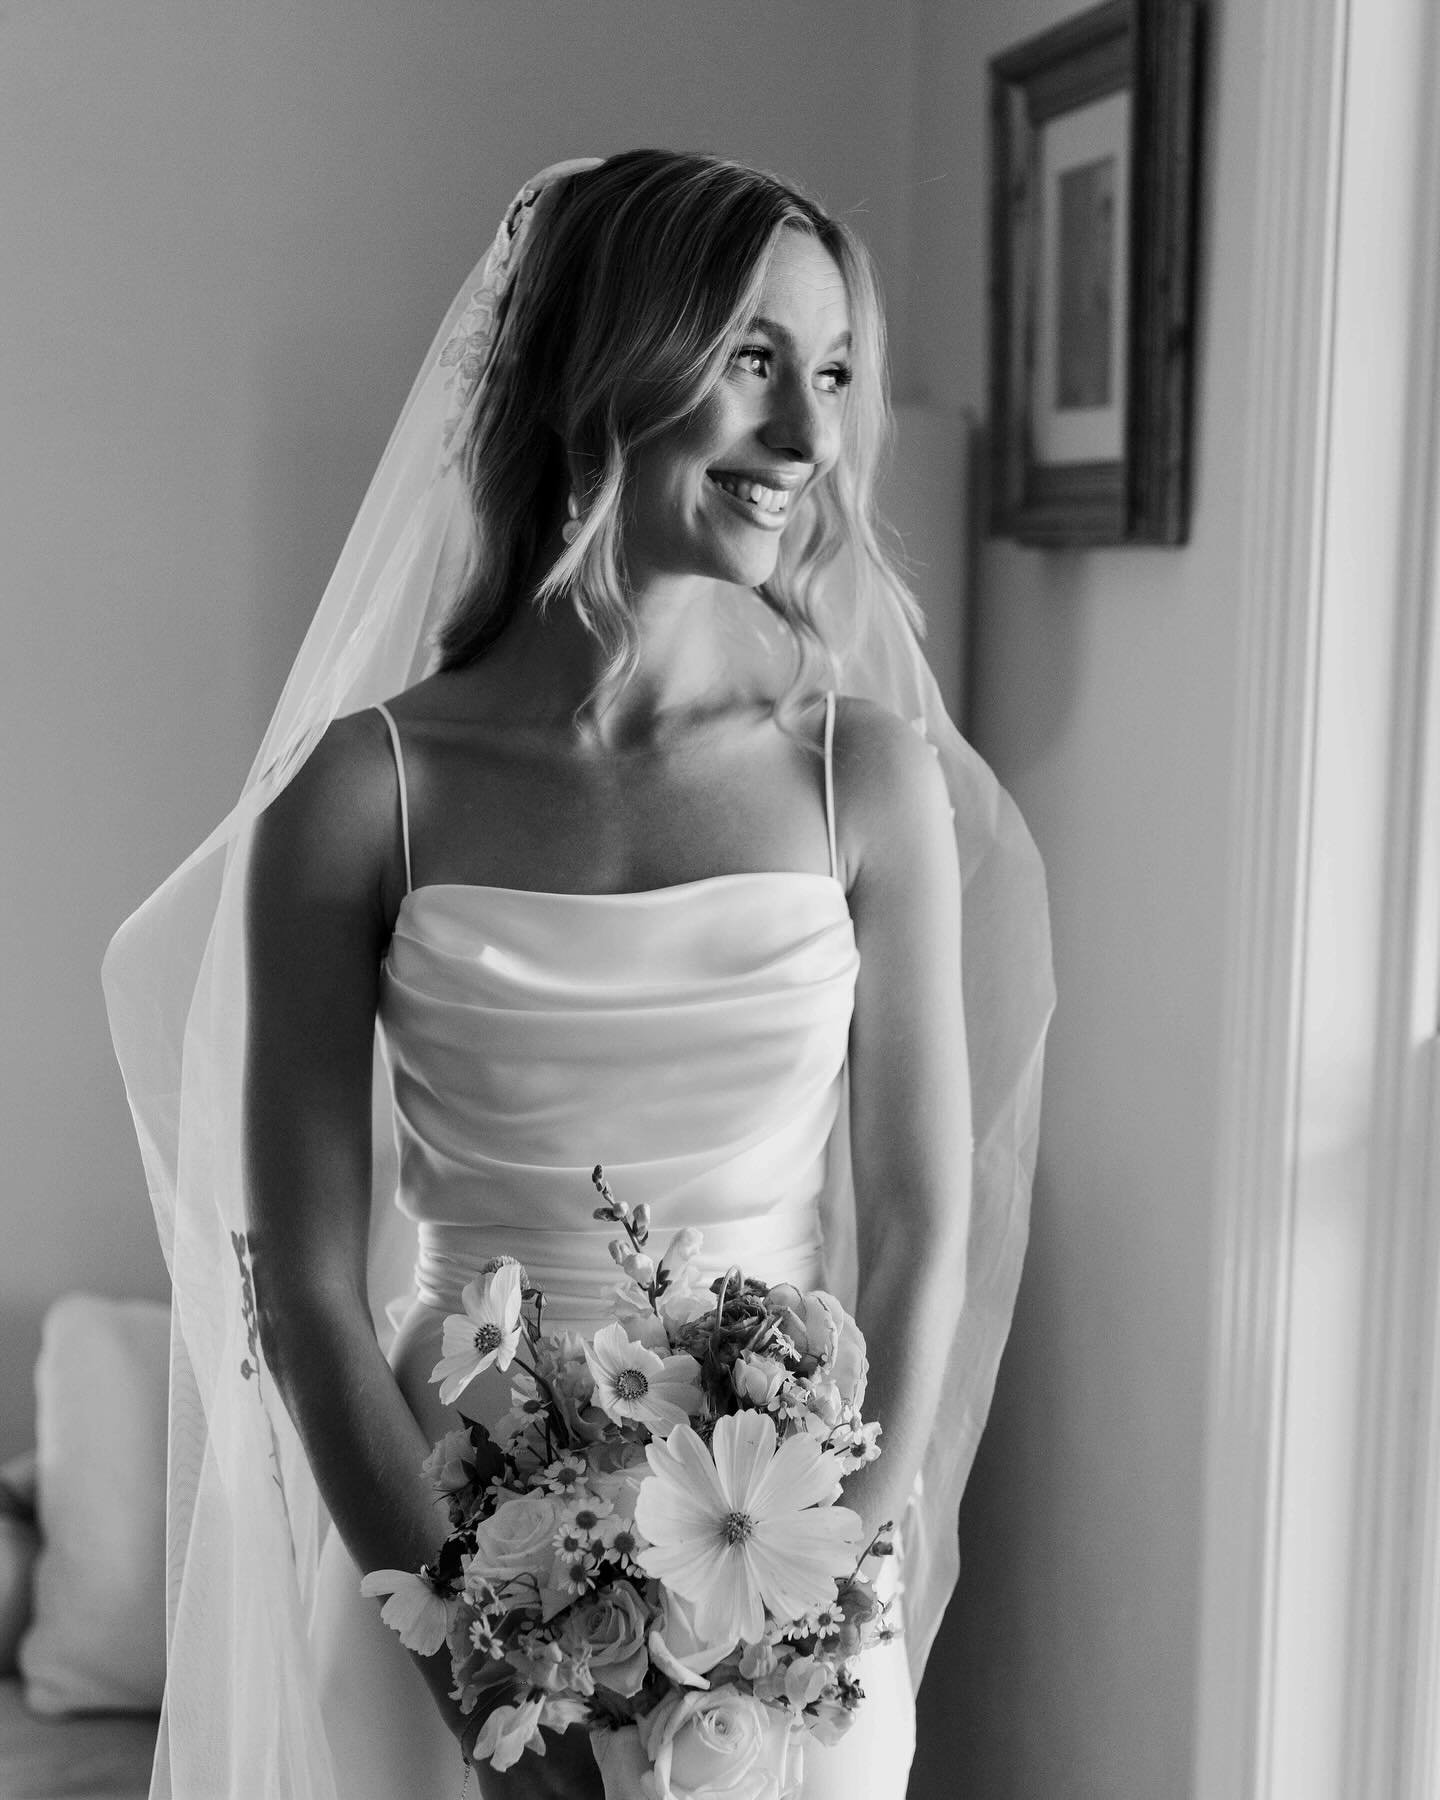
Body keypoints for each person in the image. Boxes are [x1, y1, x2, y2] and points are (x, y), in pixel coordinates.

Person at [104, 151, 1053, 1800]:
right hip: (439, 1551)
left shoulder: (866, 777)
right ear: (606, 359)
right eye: (754, 360)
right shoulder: (360, 796)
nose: (810, 440)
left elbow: (917, 1230)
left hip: (788, 1575)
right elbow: (308, 1289)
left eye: (831, 375)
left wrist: (816, 1602)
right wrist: (479, 1672)